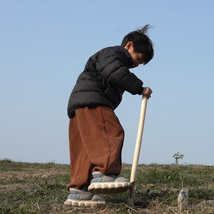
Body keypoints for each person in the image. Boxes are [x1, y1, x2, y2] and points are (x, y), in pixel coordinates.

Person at [64, 25, 154, 207]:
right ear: (129, 46)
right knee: (111, 132)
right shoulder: (114, 54)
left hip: (79, 105)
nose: (136, 65)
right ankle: (105, 173)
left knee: (84, 150)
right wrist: (139, 88)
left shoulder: (111, 57)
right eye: (138, 59)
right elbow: (114, 72)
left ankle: (80, 191)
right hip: (94, 101)